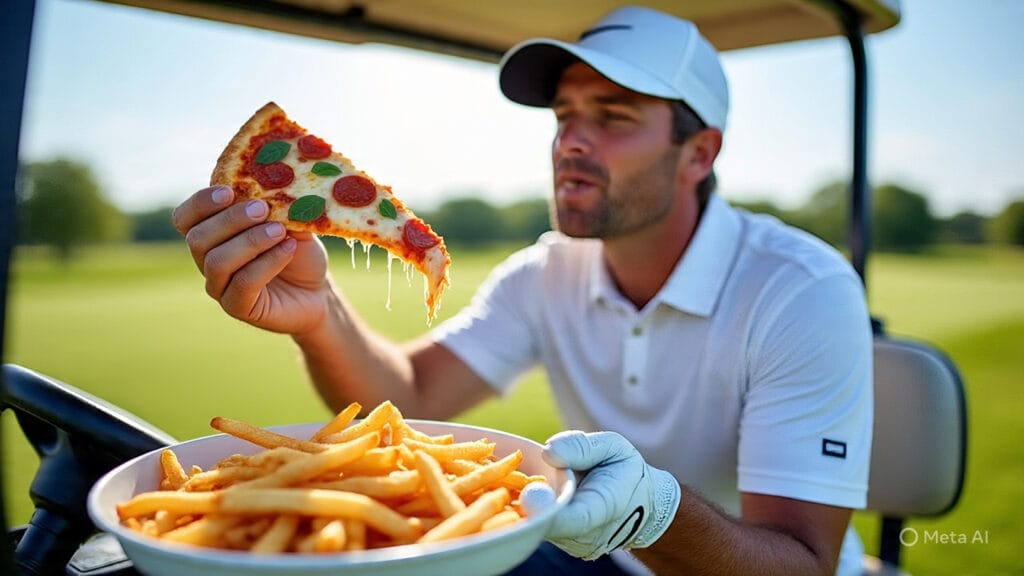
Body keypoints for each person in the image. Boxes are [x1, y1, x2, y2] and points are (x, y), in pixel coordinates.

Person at [172, 6, 873, 575]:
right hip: (602, 559)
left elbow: (804, 563)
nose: (570, 140)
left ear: (700, 153)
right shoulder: (545, 272)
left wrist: (653, 509)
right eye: (565, 114)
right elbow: (413, 394)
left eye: (614, 115)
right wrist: (319, 313)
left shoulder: (799, 289)